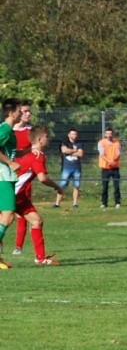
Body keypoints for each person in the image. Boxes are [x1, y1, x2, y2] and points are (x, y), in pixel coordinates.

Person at [14, 125, 64, 265]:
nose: (49, 139)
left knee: (36, 221)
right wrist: (57, 187)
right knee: (4, 221)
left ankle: (40, 258)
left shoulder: (31, 154)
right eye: (47, 137)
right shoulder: (38, 156)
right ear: (40, 140)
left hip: (19, 195)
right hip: (13, 193)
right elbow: (42, 178)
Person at [0, 98, 23, 269]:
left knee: (4, 217)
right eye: (19, 111)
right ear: (11, 113)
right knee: (7, 217)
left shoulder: (8, 130)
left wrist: (29, 150)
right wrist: (10, 162)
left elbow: (10, 151)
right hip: (3, 177)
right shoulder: (6, 129)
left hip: (5, 176)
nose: (21, 113)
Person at [12, 101, 33, 255]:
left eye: (29, 111)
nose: (28, 114)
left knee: (22, 211)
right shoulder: (7, 130)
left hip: (24, 175)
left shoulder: (31, 131)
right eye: (25, 111)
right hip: (7, 173)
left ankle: (18, 246)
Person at [54, 128, 83, 208]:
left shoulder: (79, 144)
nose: (74, 136)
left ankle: (75, 203)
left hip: (77, 168)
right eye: (73, 134)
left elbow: (80, 154)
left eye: (75, 134)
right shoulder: (65, 142)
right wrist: (75, 151)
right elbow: (64, 151)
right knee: (62, 185)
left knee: (76, 186)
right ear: (69, 135)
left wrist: (69, 152)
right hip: (66, 168)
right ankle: (57, 203)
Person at [98, 128, 121, 209]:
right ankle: (104, 203)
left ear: (112, 134)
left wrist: (113, 161)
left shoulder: (117, 143)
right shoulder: (101, 142)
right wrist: (109, 161)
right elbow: (102, 154)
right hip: (105, 168)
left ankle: (117, 202)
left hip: (115, 168)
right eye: (107, 133)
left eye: (110, 133)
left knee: (116, 186)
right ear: (105, 134)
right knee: (105, 186)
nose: (109, 135)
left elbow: (118, 153)